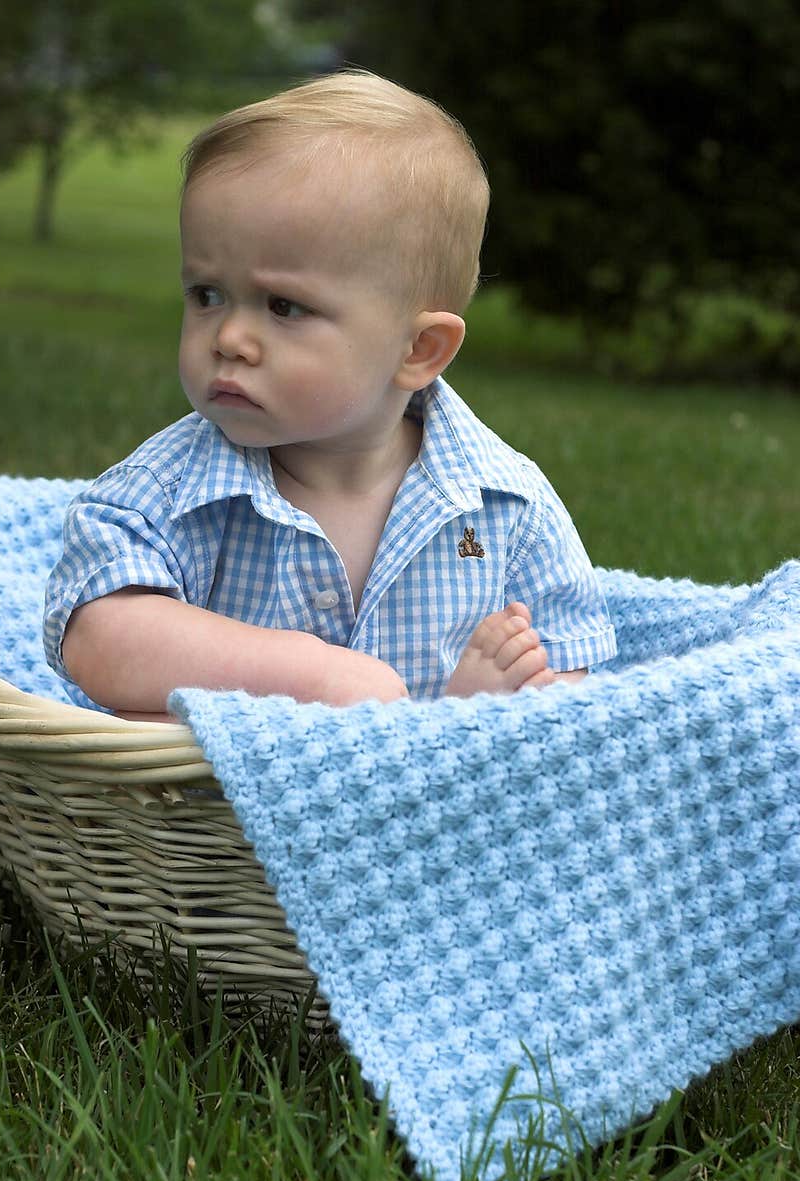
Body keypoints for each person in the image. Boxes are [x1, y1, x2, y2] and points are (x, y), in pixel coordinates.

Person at [43, 70, 616, 719]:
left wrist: (471, 716)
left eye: (283, 306)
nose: (229, 337)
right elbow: (99, 639)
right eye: (207, 294)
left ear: (418, 350)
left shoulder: (505, 504)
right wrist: (310, 674)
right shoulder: (166, 491)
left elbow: (571, 679)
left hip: (438, 792)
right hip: (224, 809)